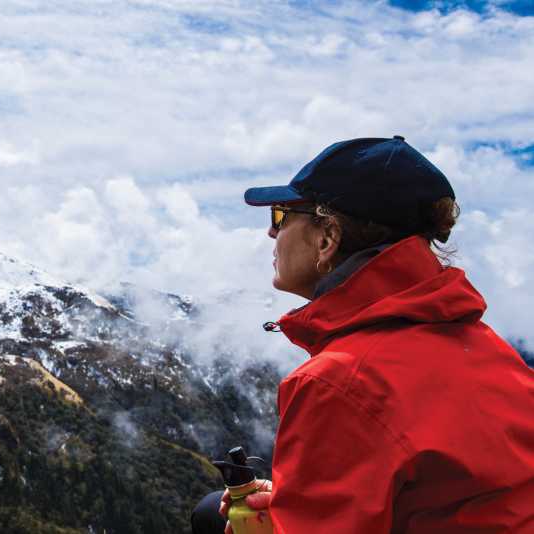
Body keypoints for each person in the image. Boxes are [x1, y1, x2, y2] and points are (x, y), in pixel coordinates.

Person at [191, 136, 534, 533]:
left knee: (210, 517)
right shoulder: (484, 344)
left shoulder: (338, 383)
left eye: (282, 216)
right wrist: (298, 497)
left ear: (327, 238)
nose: (272, 233)